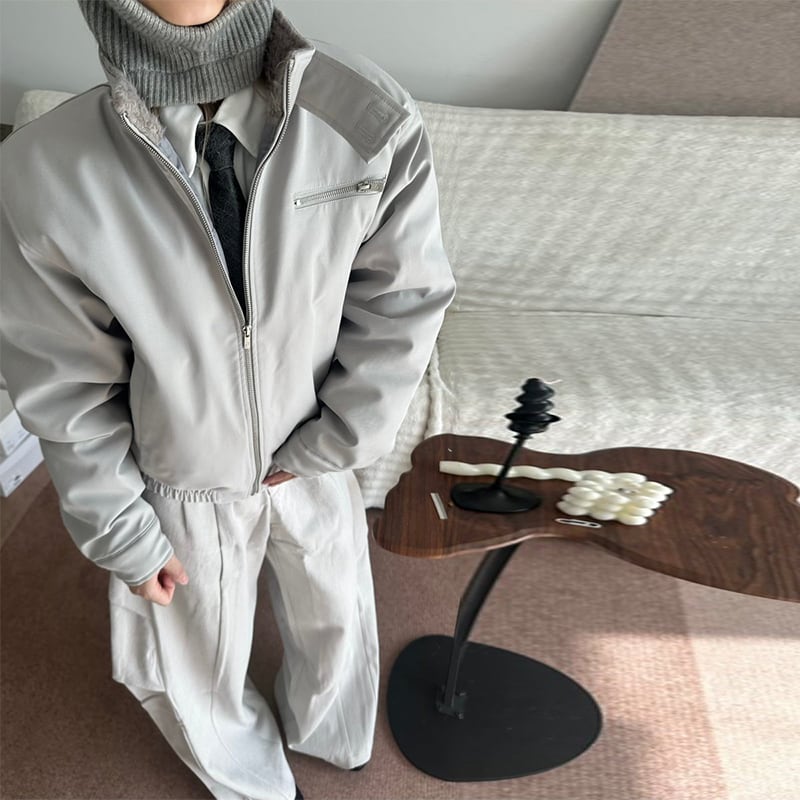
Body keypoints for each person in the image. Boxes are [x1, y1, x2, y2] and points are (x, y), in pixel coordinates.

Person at [0, 0, 456, 797]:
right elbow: (63, 379)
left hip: (318, 450)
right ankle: (249, 779)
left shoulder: (362, 113)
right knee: (192, 658)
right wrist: (121, 531)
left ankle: (332, 738)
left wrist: (339, 438)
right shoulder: (46, 170)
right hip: (183, 474)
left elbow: (401, 301)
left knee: (336, 618)